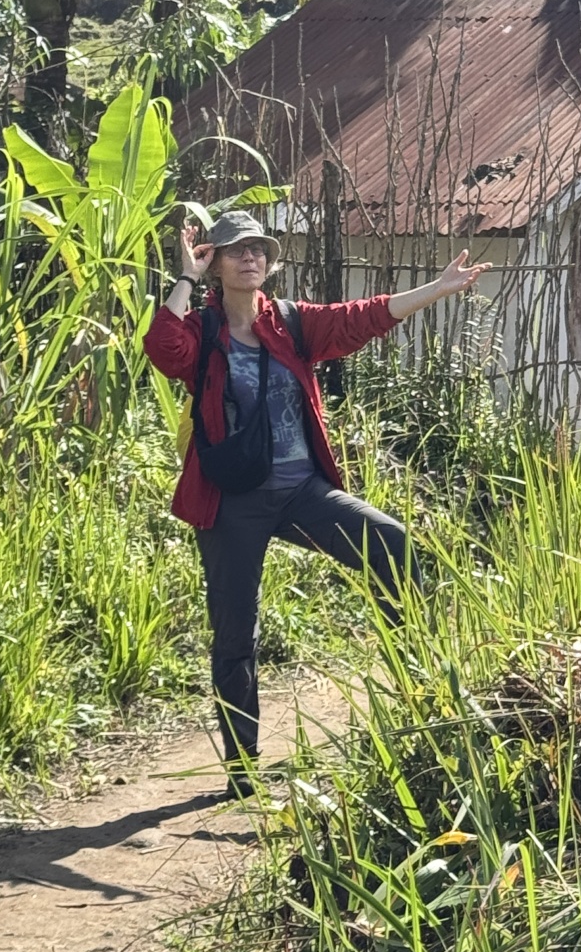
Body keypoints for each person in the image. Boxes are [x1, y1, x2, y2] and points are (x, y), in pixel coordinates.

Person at [143, 209, 487, 797]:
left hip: (304, 492)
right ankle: (243, 770)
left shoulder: (292, 323)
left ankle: (416, 689)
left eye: (259, 249)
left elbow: (364, 317)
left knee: (394, 545)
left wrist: (437, 288)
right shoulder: (202, 330)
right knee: (235, 634)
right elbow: (162, 348)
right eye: (236, 250)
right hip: (231, 502)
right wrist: (185, 278)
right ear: (216, 263)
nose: (250, 257)